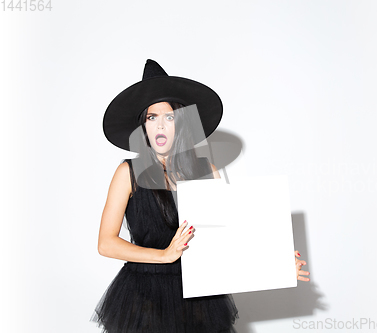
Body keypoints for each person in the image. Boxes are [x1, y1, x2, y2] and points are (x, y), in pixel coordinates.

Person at [91, 59, 310, 333]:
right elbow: (106, 243)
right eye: (151, 117)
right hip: (142, 297)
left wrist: (275, 263)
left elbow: (227, 238)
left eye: (169, 117)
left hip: (199, 296)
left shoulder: (208, 170)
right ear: (143, 126)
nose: (160, 125)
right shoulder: (128, 173)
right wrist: (165, 255)